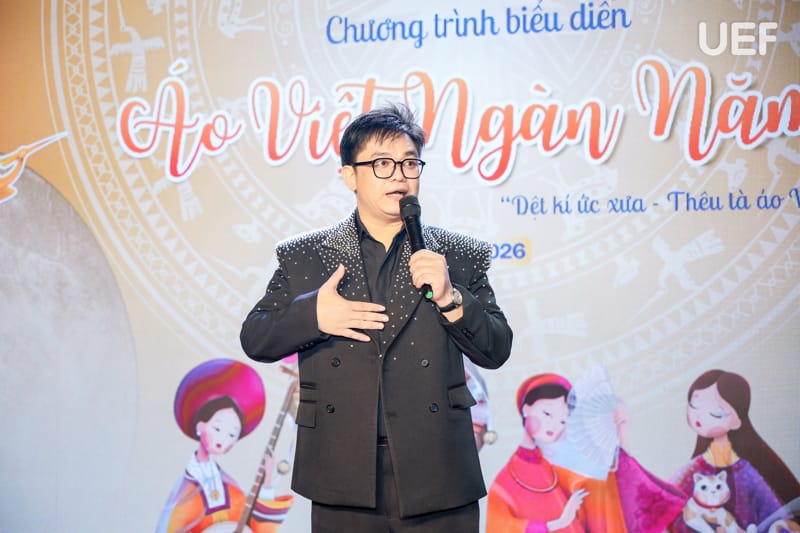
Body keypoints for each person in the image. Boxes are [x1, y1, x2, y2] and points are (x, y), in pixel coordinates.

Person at [240, 102, 513, 532]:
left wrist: (451, 297)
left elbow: (497, 349)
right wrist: (314, 314)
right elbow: (256, 338)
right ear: (350, 175)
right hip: (342, 472)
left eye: (409, 163)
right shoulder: (306, 255)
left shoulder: (457, 255)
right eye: (382, 164)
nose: (400, 176)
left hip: (438, 472)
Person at [487, 372, 685, 533]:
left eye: (563, 420)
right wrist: (556, 524)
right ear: (525, 409)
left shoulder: (561, 468)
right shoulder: (506, 480)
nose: (554, 425)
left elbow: (608, 490)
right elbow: (501, 526)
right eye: (547, 413)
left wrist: (619, 431)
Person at [156, 358, 294, 533]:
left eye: (231, 434)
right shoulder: (185, 495)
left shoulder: (230, 488)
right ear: (200, 426)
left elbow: (254, 526)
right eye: (217, 428)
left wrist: (266, 483)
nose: (223, 438)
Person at [670, 369, 800, 532]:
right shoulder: (693, 470)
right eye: (693, 405)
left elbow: (770, 506)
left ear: (737, 421)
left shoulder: (745, 470)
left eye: (715, 413)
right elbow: (667, 505)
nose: (699, 417)